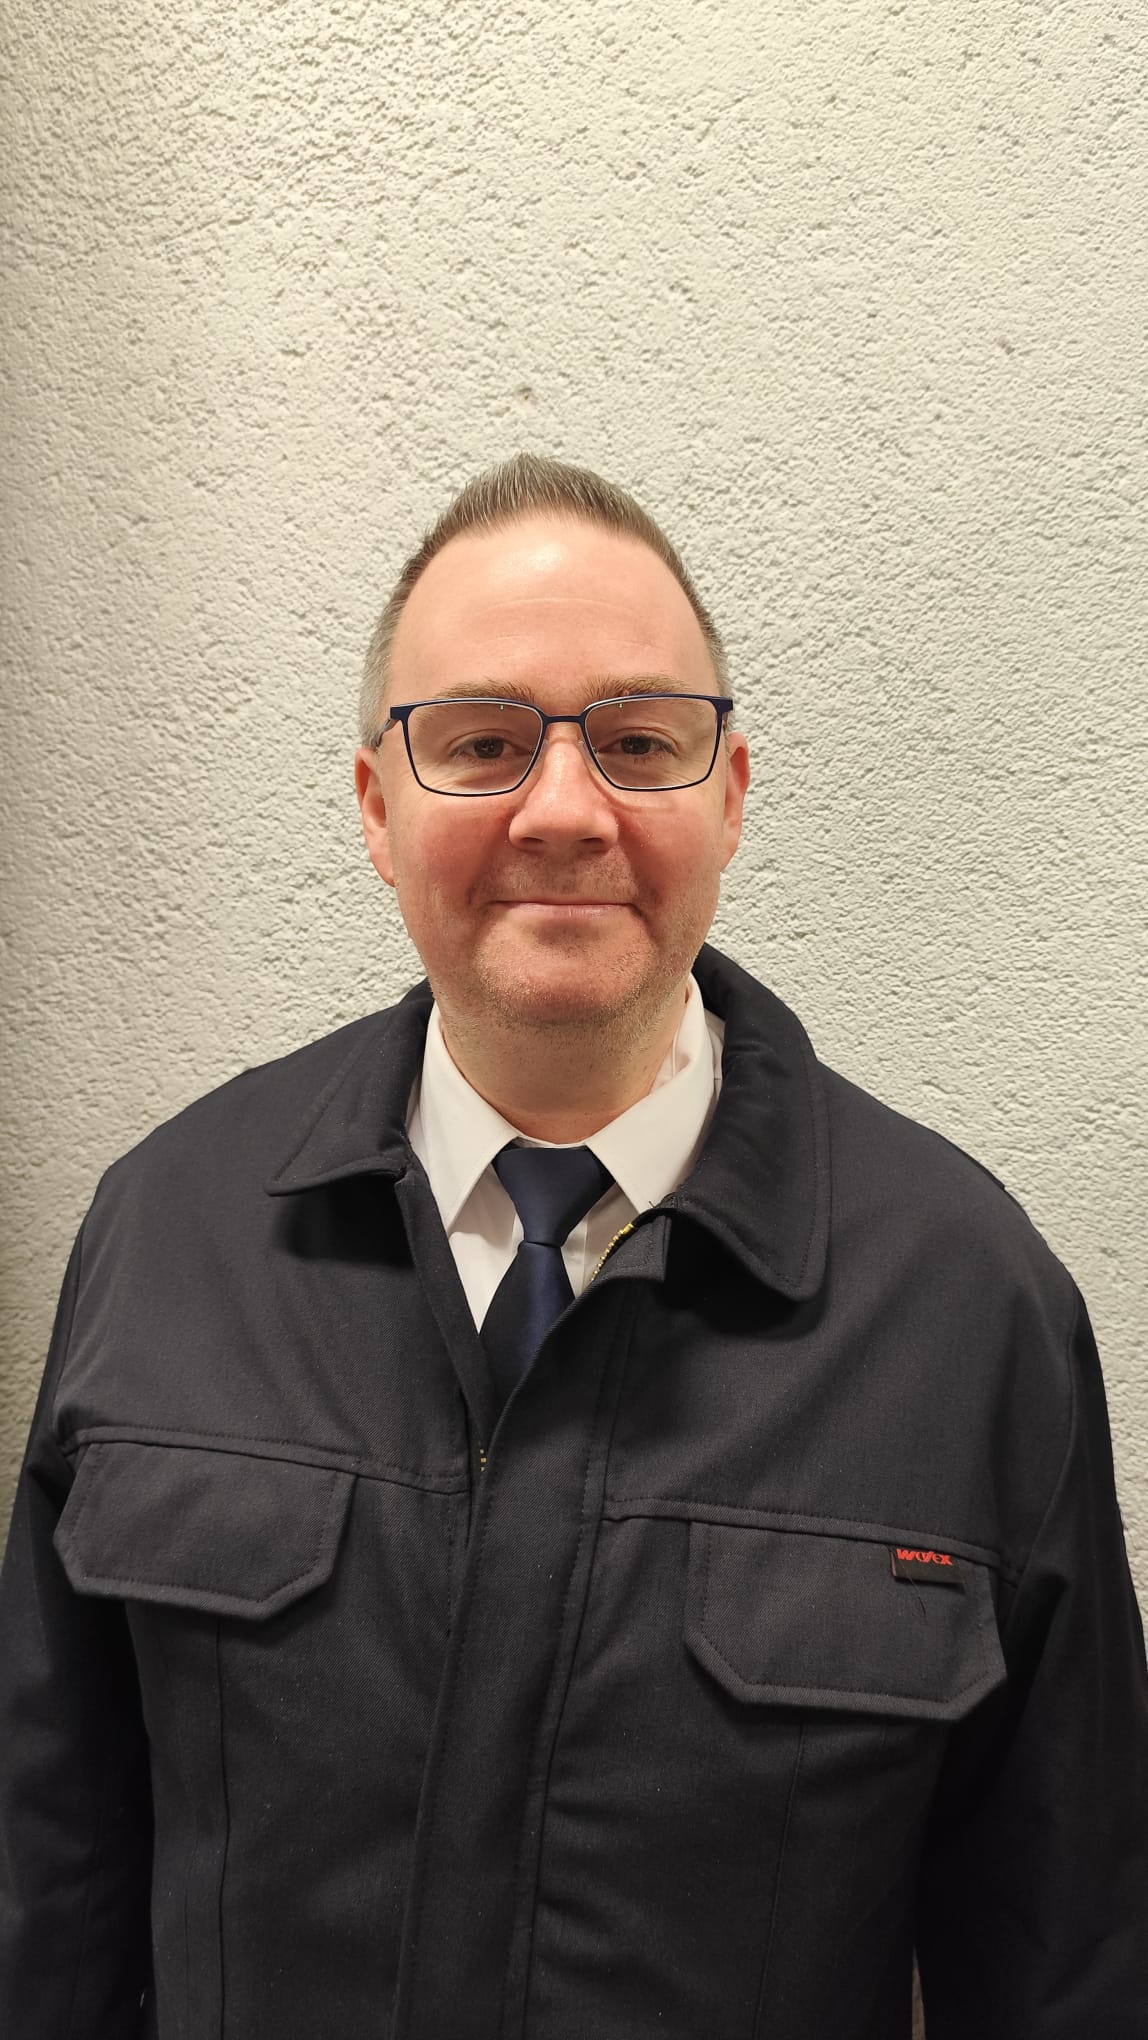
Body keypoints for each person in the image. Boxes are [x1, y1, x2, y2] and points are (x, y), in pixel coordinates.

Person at [1, 453, 1145, 2040]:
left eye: (639, 742)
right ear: (376, 807)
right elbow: (45, 1893)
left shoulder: (966, 1309)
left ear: (729, 797)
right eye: (479, 741)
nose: (561, 809)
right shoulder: (171, 1235)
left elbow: (1071, 1965)